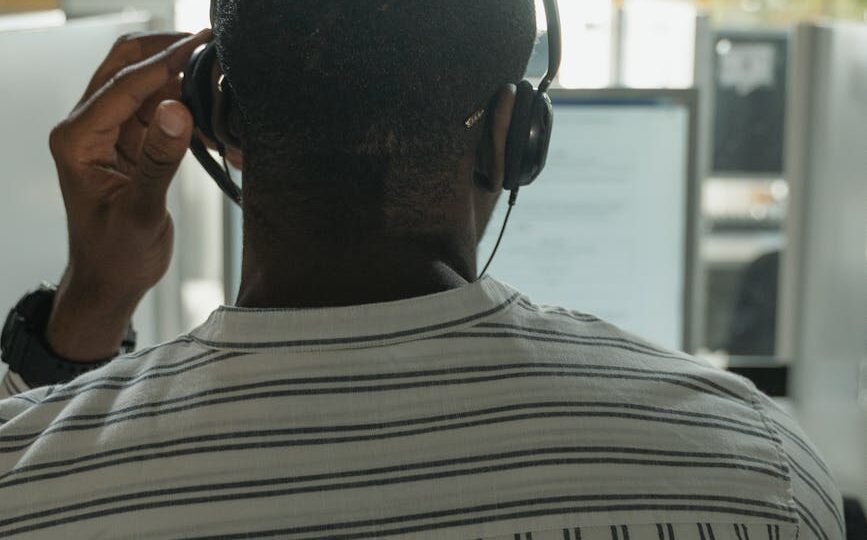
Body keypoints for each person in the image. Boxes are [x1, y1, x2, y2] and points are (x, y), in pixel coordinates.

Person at [0, 2, 844, 538]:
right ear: (513, 134)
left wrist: (92, 304)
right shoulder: (757, 466)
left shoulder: (27, 484)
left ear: (216, 117)